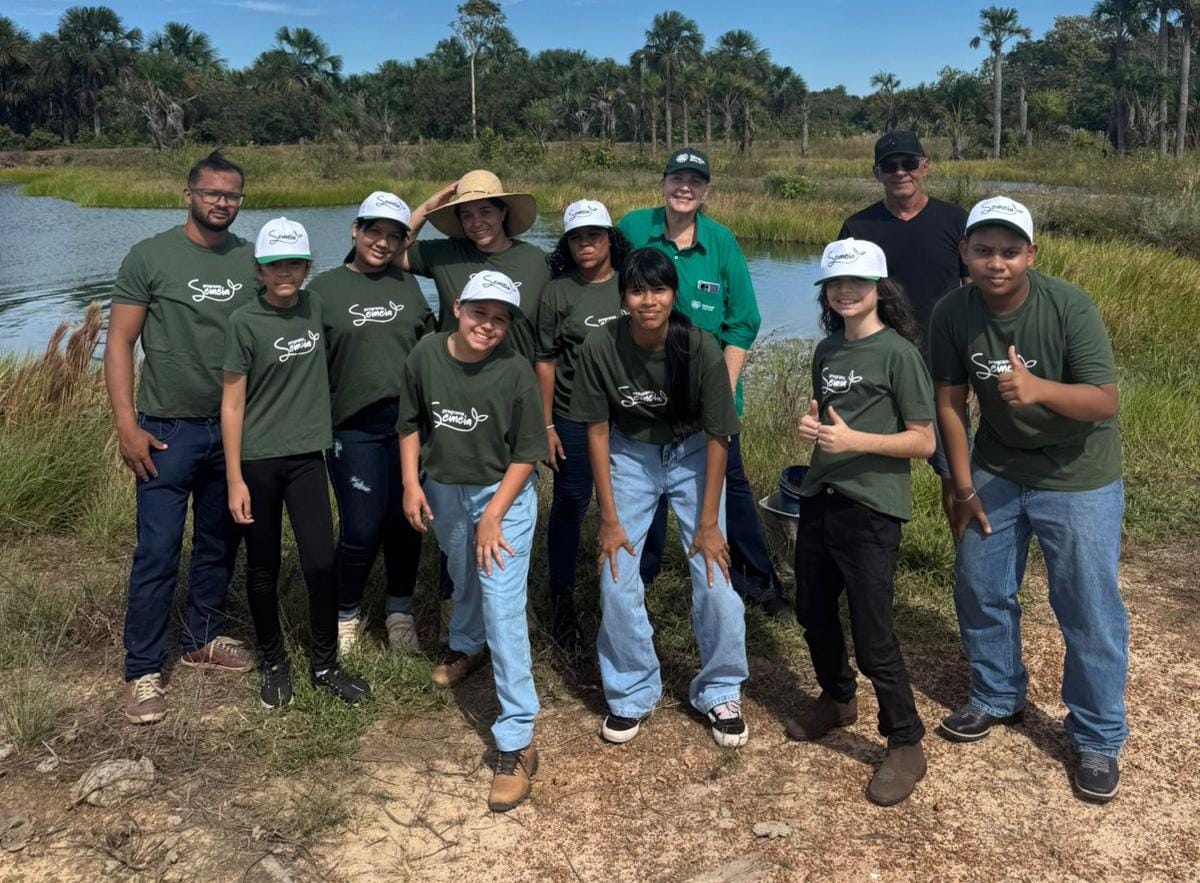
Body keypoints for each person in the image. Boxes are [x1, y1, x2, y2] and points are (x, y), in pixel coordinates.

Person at [930, 197, 1127, 803]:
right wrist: (961, 486)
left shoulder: (1069, 306)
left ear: (1031, 255)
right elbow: (949, 403)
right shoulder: (952, 311)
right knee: (980, 584)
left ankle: (1097, 735)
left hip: (1078, 472)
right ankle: (996, 693)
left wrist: (1039, 388)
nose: (997, 263)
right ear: (964, 253)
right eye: (984, 250)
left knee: (1086, 604)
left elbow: (1104, 400)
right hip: (997, 466)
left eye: (1010, 251)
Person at [570, 247, 749, 749]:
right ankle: (631, 690)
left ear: (674, 294)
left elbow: (719, 434)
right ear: (623, 297)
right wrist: (608, 518)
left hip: (693, 452)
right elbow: (597, 429)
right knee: (615, 573)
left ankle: (721, 688)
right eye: (637, 290)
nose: (648, 300)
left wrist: (709, 524)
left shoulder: (699, 346)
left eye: (659, 289)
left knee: (714, 572)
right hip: (630, 454)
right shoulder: (601, 345)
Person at [106, 149, 256, 725]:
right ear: (188, 194)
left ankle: (201, 638)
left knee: (219, 542)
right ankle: (142, 670)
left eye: (232, 195)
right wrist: (127, 425)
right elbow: (120, 342)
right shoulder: (150, 256)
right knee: (158, 551)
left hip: (232, 428)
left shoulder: (250, 258)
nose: (222, 202)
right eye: (212, 192)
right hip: (166, 429)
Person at [783, 239, 935, 807]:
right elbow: (830, 422)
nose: (845, 291)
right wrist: (815, 430)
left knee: (873, 635)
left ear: (879, 288)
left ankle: (905, 741)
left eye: (857, 282)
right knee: (812, 610)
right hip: (819, 497)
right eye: (835, 283)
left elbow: (923, 441)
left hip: (872, 508)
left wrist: (854, 441)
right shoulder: (827, 350)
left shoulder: (899, 354)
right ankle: (837, 696)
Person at [397, 270, 547, 813]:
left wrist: (494, 516)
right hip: (444, 487)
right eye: (480, 312)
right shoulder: (426, 354)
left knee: (503, 604)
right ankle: (467, 644)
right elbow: (409, 422)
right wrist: (411, 483)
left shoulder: (515, 370)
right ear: (458, 307)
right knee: (463, 575)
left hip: (502, 494)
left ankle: (517, 738)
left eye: (501, 318)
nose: (489, 325)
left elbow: (527, 452)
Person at [617, 148, 786, 617]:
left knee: (731, 483)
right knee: (645, 483)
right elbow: (601, 283)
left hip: (710, 391)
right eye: (677, 178)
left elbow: (743, 321)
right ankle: (642, 574)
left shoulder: (721, 241)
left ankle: (757, 581)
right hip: (644, 390)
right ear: (663, 182)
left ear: (706, 191)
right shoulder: (632, 227)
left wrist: (720, 396)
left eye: (695, 181)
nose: (684, 188)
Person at [221, 217, 371, 709]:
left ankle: (325, 665)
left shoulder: (316, 306)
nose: (284, 272)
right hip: (258, 461)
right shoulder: (244, 322)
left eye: (294, 263)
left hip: (308, 457)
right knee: (263, 566)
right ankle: (274, 662)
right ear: (259, 270)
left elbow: (364, 267)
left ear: (307, 268)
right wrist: (234, 478)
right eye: (274, 264)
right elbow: (232, 404)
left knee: (321, 563)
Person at [396, 170, 550, 633]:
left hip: (512, 403)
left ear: (504, 213)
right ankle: (459, 610)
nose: (477, 221)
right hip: (453, 399)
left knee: (509, 508)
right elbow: (388, 248)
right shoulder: (445, 253)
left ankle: (510, 604)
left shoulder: (536, 261)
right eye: (466, 214)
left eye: (486, 210)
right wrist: (428, 207)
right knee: (456, 515)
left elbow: (547, 340)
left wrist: (545, 421)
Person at [307, 192, 435, 654]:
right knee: (360, 528)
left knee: (406, 520)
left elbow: (429, 348)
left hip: (408, 425)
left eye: (393, 235)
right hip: (352, 426)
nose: (382, 242)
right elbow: (307, 363)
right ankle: (346, 613)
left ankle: (399, 610)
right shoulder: (324, 290)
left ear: (403, 242)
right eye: (373, 231)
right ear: (355, 231)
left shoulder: (407, 285)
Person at [838, 131, 970, 522]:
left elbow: (974, 298)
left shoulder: (955, 221)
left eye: (909, 163)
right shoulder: (858, 227)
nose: (900, 172)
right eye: (890, 165)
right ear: (876, 172)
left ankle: (966, 551)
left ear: (925, 166)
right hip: (876, 366)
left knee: (958, 474)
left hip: (941, 368)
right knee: (864, 466)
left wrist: (973, 368)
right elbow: (841, 299)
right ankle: (868, 547)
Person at [534, 199, 630, 650]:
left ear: (610, 239)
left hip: (627, 414)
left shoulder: (630, 283)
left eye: (594, 235)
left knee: (628, 501)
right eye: (576, 237)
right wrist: (546, 425)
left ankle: (626, 588)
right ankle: (562, 597)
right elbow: (546, 360)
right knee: (572, 501)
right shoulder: (558, 292)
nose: (585, 244)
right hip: (572, 413)